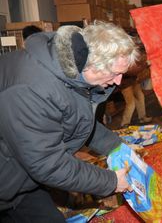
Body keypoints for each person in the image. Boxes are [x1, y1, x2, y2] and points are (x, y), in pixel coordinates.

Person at [0, 21, 137, 222]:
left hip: (21, 176)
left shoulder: (72, 70)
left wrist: (116, 146)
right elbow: (48, 163)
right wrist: (110, 182)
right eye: (115, 74)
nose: (118, 82)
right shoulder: (32, 88)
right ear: (92, 64)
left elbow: (76, 117)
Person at [119, 49, 152, 128]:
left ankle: (142, 118)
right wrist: (145, 65)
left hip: (133, 80)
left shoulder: (131, 56)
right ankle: (124, 124)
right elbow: (130, 71)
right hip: (125, 84)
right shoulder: (121, 60)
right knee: (131, 103)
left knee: (140, 96)